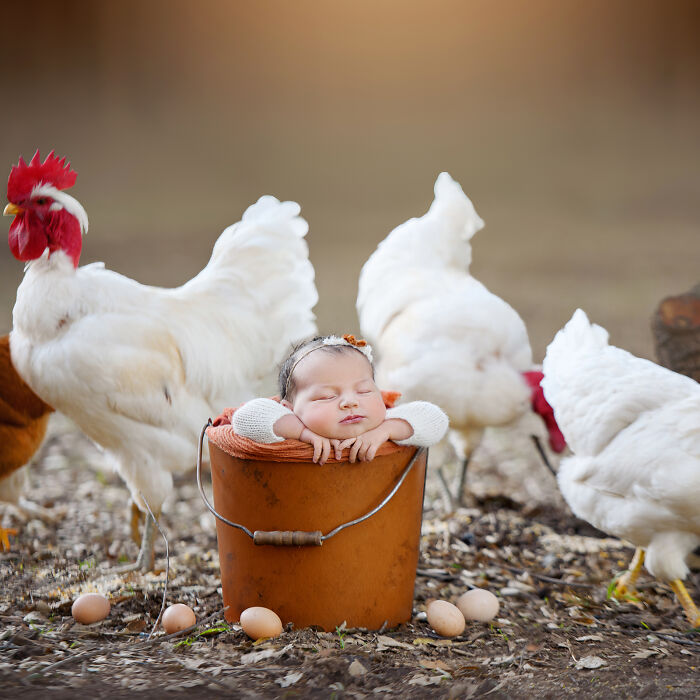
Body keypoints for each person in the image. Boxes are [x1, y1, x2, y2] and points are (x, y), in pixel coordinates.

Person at [233, 334, 448, 464]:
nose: (350, 402)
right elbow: (244, 419)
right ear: (290, 409)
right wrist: (302, 433)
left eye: (363, 391)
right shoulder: (287, 425)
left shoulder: (384, 422)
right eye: (327, 396)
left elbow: (436, 420)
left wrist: (385, 431)